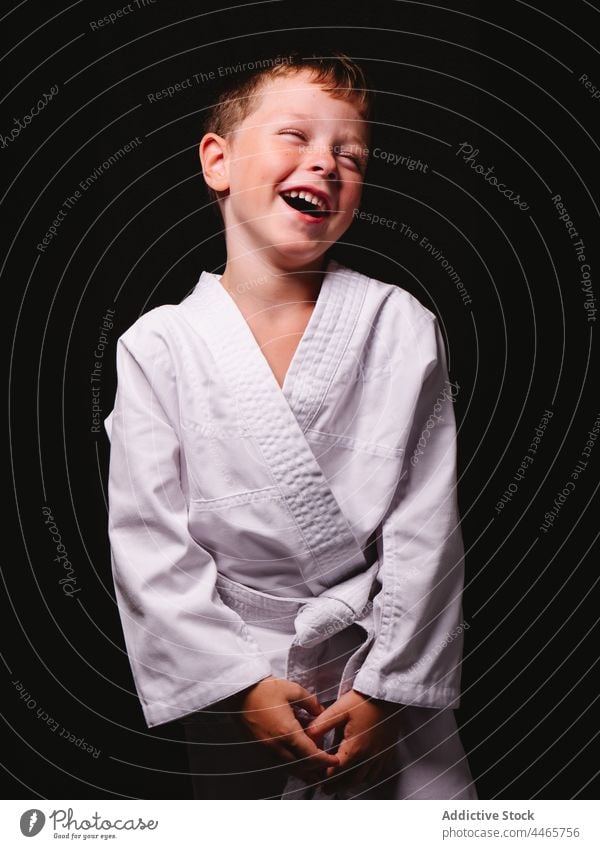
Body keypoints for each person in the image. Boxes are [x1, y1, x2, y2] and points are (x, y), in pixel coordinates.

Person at [104, 50, 478, 800]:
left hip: (375, 660)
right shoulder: (159, 345)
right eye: (296, 137)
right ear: (218, 161)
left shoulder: (401, 325)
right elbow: (148, 539)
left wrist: (386, 690)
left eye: (352, 155)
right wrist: (240, 688)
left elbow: (426, 528)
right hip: (243, 676)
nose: (328, 163)